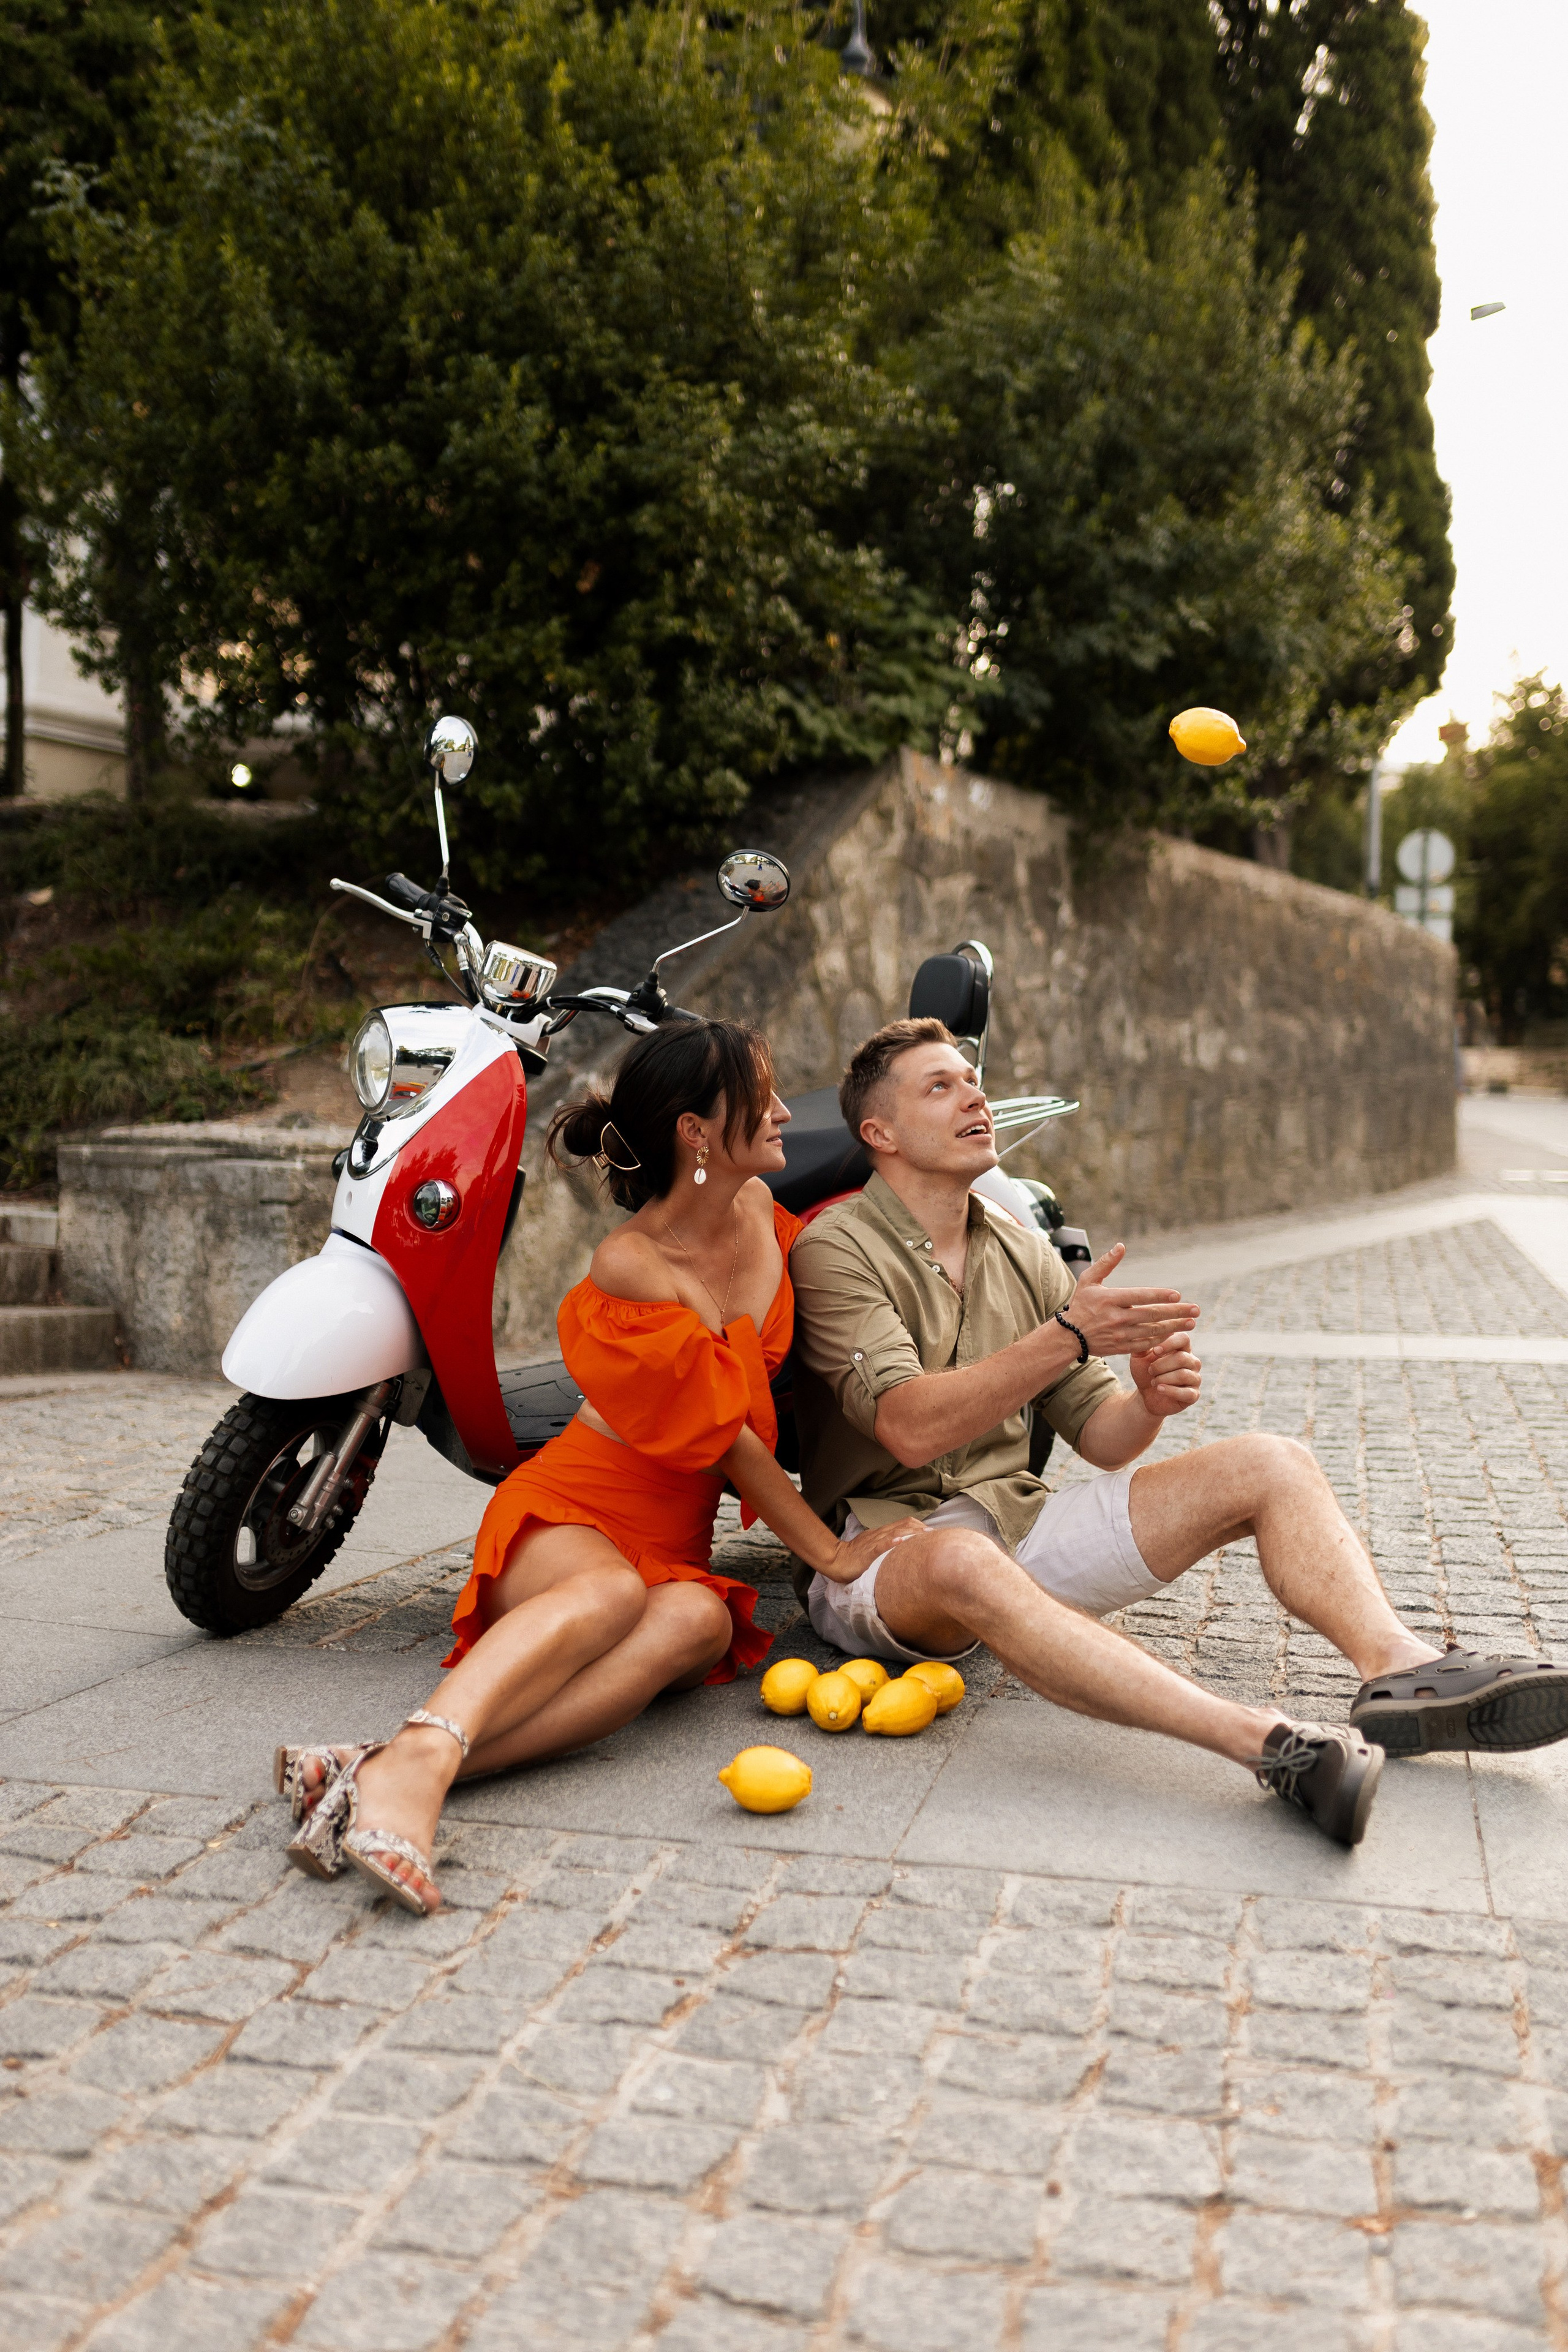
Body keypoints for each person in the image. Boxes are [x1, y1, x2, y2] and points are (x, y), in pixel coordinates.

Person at [789, 1017, 1568, 1847]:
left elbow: (1102, 1436)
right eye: (938, 1087)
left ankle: (1401, 1670)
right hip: (888, 1556)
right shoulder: (835, 1247)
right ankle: (1267, 1745)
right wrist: (1069, 1334)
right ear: (880, 1132)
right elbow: (908, 1428)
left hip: (1016, 1529)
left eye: (972, 1080)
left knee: (1272, 1462)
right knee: (957, 1556)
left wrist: (1150, 1401)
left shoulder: (1020, 1248)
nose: (974, 1095)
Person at [277, 1017, 919, 1913]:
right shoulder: (633, 1264)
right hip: (574, 1512)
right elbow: (728, 1435)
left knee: (699, 1620)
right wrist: (833, 1554)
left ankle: (379, 1766)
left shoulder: (769, 1221)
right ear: (697, 1132)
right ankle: (417, 1773)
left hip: (671, 1540)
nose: (783, 1111)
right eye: (761, 1095)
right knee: (614, 1594)